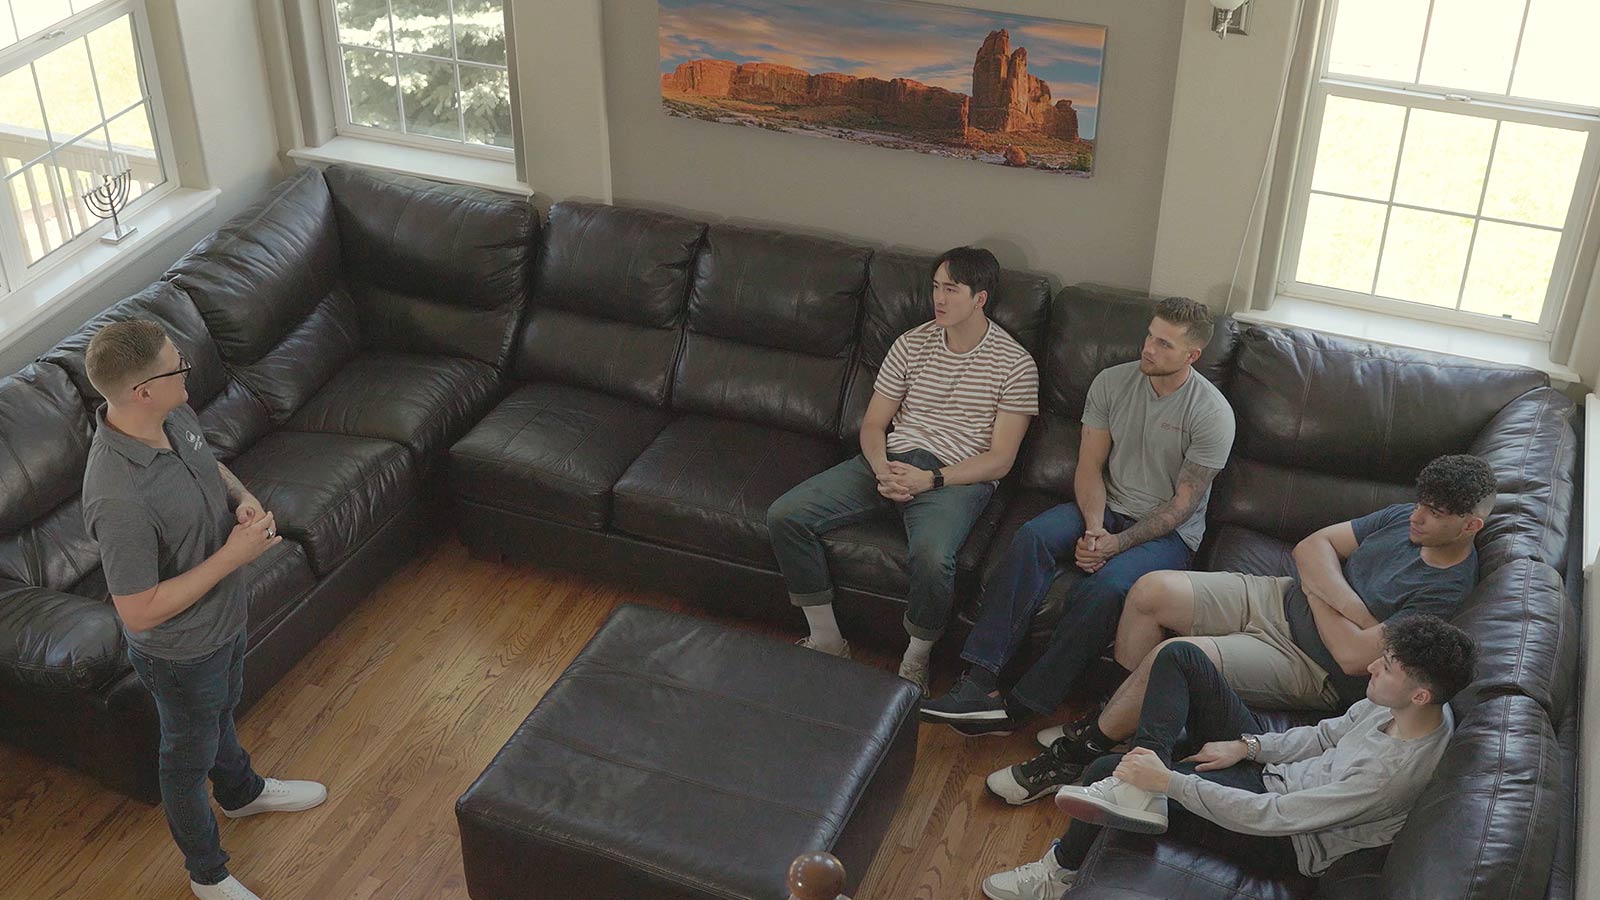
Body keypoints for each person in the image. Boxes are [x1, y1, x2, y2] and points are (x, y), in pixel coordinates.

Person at [986, 453, 1493, 807]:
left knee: (1176, 655)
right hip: (1279, 596)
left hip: (1309, 665)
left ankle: (1079, 754)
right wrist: (1342, 600)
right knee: (1149, 590)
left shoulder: (1445, 590)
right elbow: (1310, 546)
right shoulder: (1405, 516)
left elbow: (1350, 657)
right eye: (1421, 504)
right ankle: (1123, 724)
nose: (1420, 518)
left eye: (1437, 514)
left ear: (1471, 525)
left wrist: (1318, 587)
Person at [82, 320, 327, 900]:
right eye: (177, 366)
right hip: (181, 653)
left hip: (225, 621)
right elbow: (138, 612)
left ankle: (241, 793)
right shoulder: (117, 497)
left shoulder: (172, 417)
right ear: (142, 391)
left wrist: (241, 500)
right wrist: (232, 557)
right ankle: (207, 875)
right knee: (184, 760)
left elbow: (209, 466)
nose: (188, 369)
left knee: (219, 714)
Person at [979, 614, 1473, 900]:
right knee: (1181, 656)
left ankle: (1057, 875)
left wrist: (1168, 784)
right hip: (1274, 776)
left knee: (1109, 769)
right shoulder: (1394, 703)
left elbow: (1273, 817)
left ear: (1421, 696)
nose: (1370, 668)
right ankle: (1140, 775)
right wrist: (1249, 745)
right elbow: (1324, 736)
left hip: (1286, 839)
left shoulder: (1390, 775)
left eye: (1385, 668)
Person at [922, 297, 1233, 736]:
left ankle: (1023, 706)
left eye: (1164, 345)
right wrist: (1094, 528)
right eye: (1149, 335)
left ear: (1191, 355)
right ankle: (979, 682)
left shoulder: (1212, 414)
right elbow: (1089, 467)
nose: (1148, 348)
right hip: (1105, 507)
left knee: (1105, 588)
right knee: (1032, 536)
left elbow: (1182, 506)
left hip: (1167, 534)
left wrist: (1116, 545)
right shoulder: (1112, 382)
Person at [767, 247, 1038, 693]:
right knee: (786, 514)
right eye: (935, 287)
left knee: (933, 558)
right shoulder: (912, 342)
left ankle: (915, 658)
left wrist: (929, 479)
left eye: (951, 289)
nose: (939, 298)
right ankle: (827, 638)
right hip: (889, 459)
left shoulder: (1015, 364)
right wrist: (880, 467)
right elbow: (874, 424)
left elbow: (1001, 459)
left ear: (980, 298)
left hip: (956, 475)